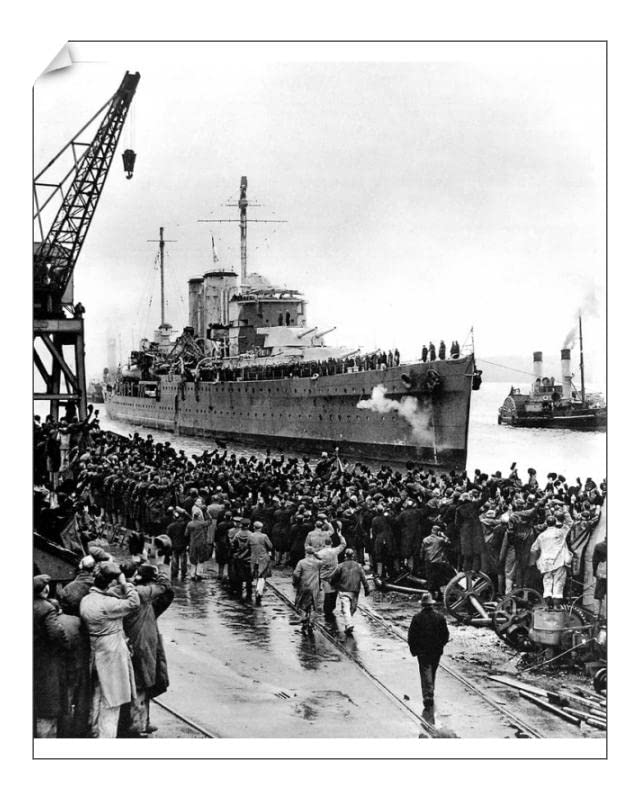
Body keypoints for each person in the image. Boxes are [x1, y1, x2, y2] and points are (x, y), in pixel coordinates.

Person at [79, 562, 140, 738]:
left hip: (95, 653)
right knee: (112, 703)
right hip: (112, 655)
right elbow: (134, 602)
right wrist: (125, 583)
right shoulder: (108, 604)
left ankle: (93, 732)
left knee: (96, 697)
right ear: (111, 582)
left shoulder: (86, 600)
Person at [121, 563, 174, 736]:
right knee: (141, 686)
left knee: (141, 685)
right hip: (142, 647)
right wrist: (161, 575)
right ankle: (137, 726)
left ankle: (142, 722)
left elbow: (167, 595)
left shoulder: (133, 596)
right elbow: (166, 590)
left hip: (138, 645)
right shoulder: (142, 597)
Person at [34, 574, 71, 737]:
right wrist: (65, 646)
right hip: (47, 660)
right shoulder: (47, 608)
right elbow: (56, 634)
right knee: (48, 704)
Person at [407, 591, 450, 710]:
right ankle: (430, 692)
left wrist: (414, 650)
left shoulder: (417, 618)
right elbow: (445, 635)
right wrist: (441, 645)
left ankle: (428, 695)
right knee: (433, 671)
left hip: (422, 650)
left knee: (425, 671)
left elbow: (412, 636)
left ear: (422, 605)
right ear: (432, 604)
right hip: (436, 650)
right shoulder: (440, 617)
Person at [529, 512, 573, 609]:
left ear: (546, 523)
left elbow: (533, 549)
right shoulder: (561, 533)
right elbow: (570, 523)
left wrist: (534, 562)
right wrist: (564, 511)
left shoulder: (541, 536)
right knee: (558, 584)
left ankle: (548, 606)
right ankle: (557, 607)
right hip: (559, 562)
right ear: (555, 523)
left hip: (545, 563)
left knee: (547, 584)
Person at [329, 548, 370, 635]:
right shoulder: (358, 566)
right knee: (352, 608)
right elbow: (364, 578)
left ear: (345, 556)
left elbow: (333, 577)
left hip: (344, 589)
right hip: (355, 590)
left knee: (347, 608)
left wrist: (332, 584)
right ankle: (349, 624)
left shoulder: (340, 566)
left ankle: (348, 622)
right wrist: (367, 589)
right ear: (353, 556)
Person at [316, 531, 347, 620]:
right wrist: (340, 536)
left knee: (327, 593)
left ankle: (327, 609)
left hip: (325, 576)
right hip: (334, 575)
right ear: (331, 543)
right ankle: (332, 607)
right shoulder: (335, 551)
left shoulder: (320, 553)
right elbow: (343, 544)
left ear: (324, 543)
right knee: (334, 592)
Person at [292, 544, 322, 635]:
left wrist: (295, 582)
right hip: (314, 587)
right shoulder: (318, 563)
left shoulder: (301, 562)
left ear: (306, 553)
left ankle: (304, 619)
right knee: (313, 604)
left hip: (304, 586)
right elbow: (324, 562)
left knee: (303, 604)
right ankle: (311, 622)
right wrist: (317, 555)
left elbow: (296, 574)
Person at [247, 520, 273, 605]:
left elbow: (247, 546)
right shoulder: (264, 536)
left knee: (254, 573)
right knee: (262, 575)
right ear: (261, 528)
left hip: (253, 557)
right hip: (263, 557)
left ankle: (251, 589)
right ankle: (259, 591)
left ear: (254, 527)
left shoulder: (250, 536)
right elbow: (270, 546)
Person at [166, 508, 189, 581]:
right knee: (183, 561)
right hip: (183, 545)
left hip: (174, 545)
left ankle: (174, 574)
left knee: (174, 560)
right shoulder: (184, 525)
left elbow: (168, 536)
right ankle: (183, 573)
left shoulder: (170, 526)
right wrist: (185, 513)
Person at [592, 536, 607, 619]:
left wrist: (595, 573)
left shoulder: (599, 546)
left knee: (598, 595)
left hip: (602, 573)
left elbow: (595, 561)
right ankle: (605, 616)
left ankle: (596, 614)